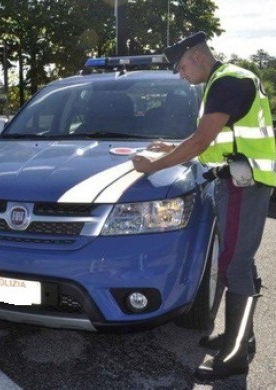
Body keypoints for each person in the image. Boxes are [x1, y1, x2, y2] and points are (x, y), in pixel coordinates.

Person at [132, 32, 275, 381]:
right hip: (241, 182)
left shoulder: (226, 82)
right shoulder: (230, 78)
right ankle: (240, 335)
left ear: (195, 57)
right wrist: (170, 145)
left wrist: (153, 164)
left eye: (181, 67)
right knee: (237, 260)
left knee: (234, 265)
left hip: (244, 184)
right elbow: (212, 140)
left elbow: (201, 141)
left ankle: (235, 355)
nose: (181, 75)